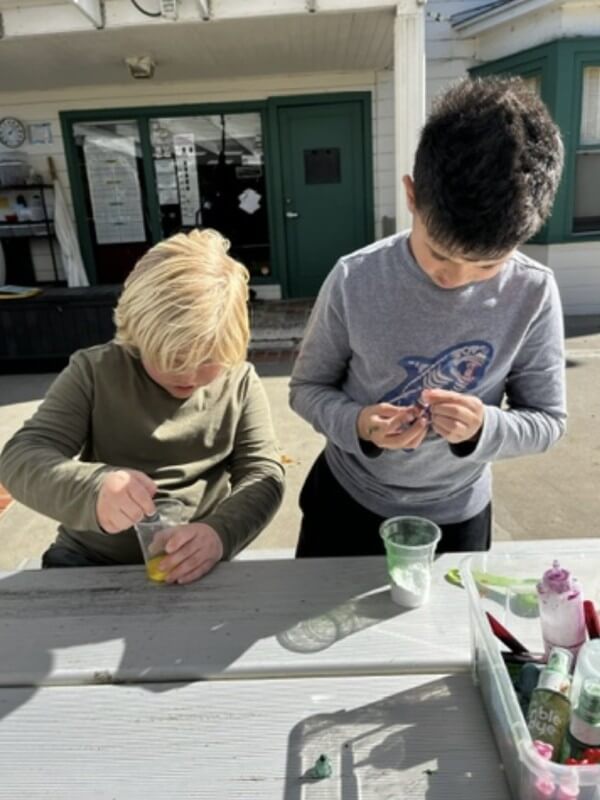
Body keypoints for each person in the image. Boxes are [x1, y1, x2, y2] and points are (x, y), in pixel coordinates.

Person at [289, 76, 566, 557]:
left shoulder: (534, 291)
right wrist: (358, 425)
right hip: (345, 500)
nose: (453, 278)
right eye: (438, 252)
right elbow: (306, 389)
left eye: (486, 265)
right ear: (411, 196)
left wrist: (485, 428)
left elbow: (547, 420)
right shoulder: (355, 278)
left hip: (457, 518)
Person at [0, 229, 285, 583]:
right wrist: (92, 489)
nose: (190, 375)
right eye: (172, 359)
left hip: (198, 560)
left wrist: (219, 533)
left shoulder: (239, 381)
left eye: (208, 360)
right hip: (89, 558)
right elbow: (19, 457)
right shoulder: (94, 371)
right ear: (135, 333)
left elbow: (263, 473)